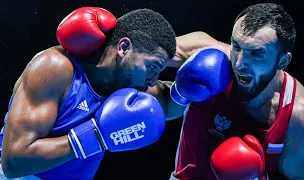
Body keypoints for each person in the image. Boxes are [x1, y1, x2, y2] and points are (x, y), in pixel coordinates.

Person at [0, 7, 179, 179]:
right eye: (153, 66)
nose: (153, 80)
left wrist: (189, 85)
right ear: (123, 48)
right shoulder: (56, 68)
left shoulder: (128, 88)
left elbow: (174, 105)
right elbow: (14, 162)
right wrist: (95, 136)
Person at [166, 3, 304, 180]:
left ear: (283, 61)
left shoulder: (302, 119)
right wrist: (176, 92)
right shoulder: (210, 57)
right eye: (237, 46)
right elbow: (145, 51)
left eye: (256, 54)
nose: (239, 64)